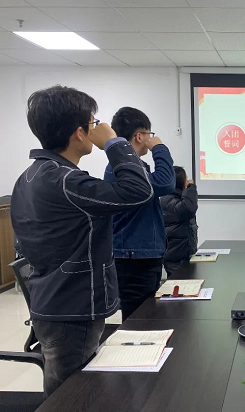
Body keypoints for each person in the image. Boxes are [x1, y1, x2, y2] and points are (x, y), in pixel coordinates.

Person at [11, 86, 153, 396]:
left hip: (53, 301)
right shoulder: (66, 181)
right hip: (72, 306)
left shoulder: (31, 176)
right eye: (93, 123)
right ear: (79, 132)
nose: (97, 129)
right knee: (72, 394)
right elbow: (138, 191)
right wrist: (114, 142)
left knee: (64, 386)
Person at [104, 107, 175, 321]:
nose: (151, 139)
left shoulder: (130, 166)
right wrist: (160, 148)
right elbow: (165, 182)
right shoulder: (123, 168)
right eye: (149, 134)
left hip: (138, 254)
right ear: (139, 136)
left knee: (146, 317)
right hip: (133, 259)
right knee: (139, 320)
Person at [161, 166, 199, 276]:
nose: (188, 180)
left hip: (184, 255)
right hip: (176, 259)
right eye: (185, 178)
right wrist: (191, 187)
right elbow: (188, 209)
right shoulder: (169, 200)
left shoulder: (178, 198)